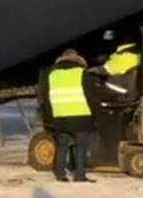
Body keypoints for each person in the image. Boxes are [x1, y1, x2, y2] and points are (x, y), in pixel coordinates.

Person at [39, 49, 103, 183]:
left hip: (60, 117)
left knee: (62, 146)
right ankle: (79, 175)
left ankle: (60, 174)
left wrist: (50, 118)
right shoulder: (82, 74)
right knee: (81, 147)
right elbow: (91, 96)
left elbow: (45, 98)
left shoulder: (51, 75)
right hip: (81, 117)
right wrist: (96, 115)